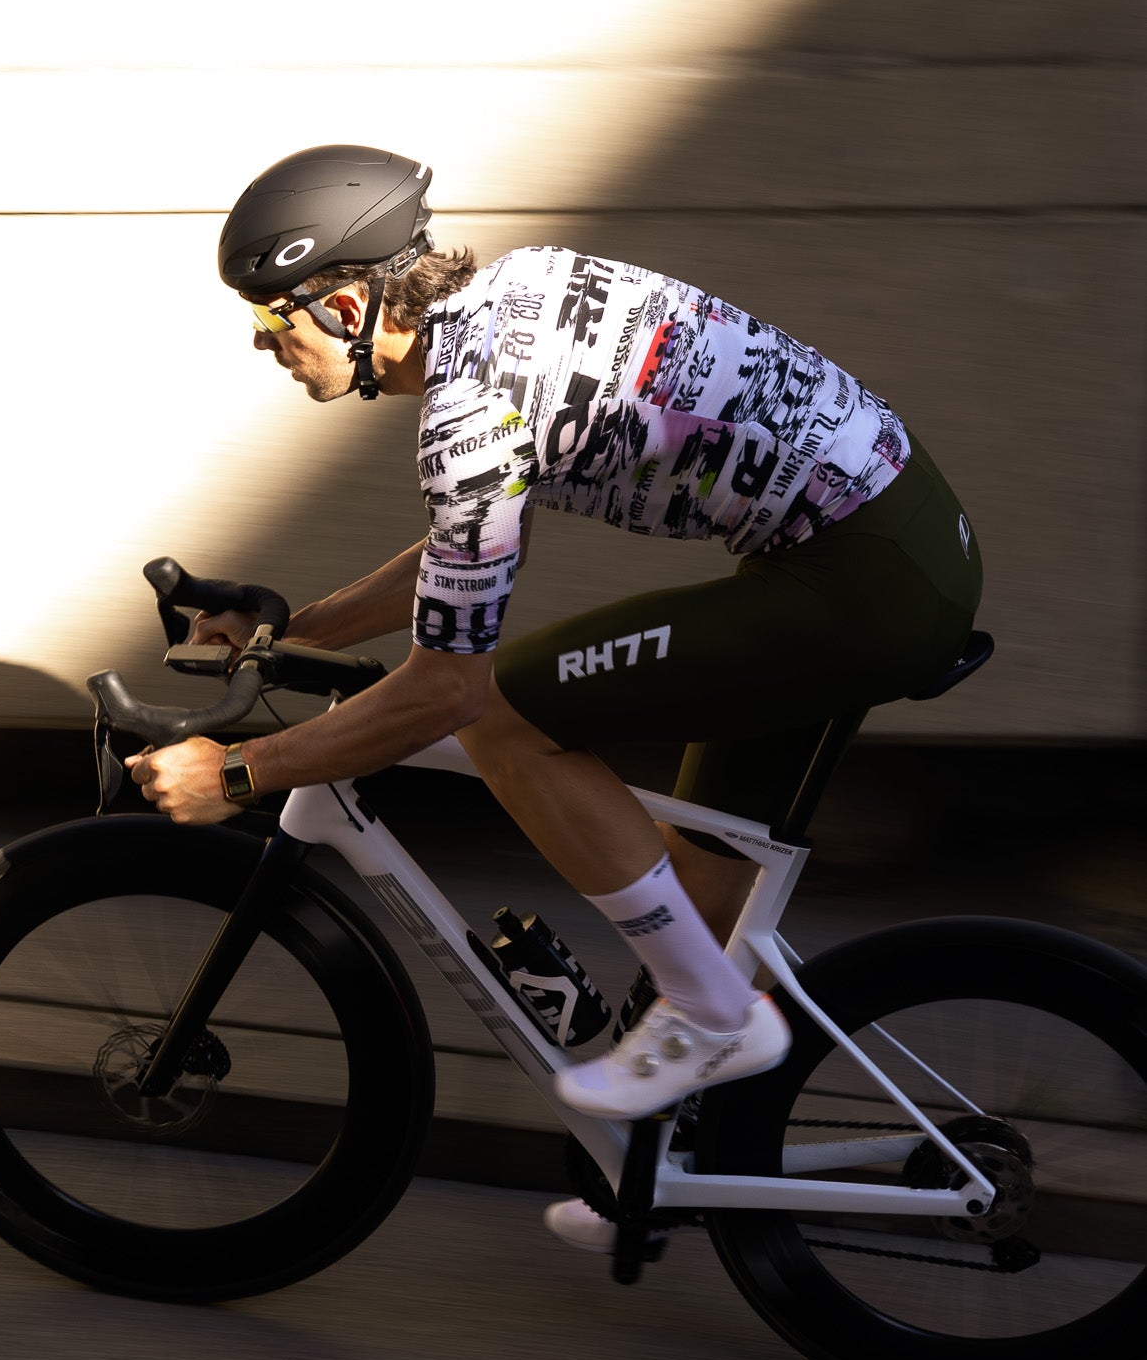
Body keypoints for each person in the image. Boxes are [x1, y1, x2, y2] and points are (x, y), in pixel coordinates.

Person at [129, 144, 983, 1252]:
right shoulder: (508, 301)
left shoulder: (469, 410)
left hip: (856, 585)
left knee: (504, 718)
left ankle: (718, 1016)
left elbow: (447, 688)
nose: (263, 345)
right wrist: (291, 633)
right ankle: (656, 1164)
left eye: (268, 319)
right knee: (695, 884)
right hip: (886, 548)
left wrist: (241, 771)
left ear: (342, 307)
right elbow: (472, 545)